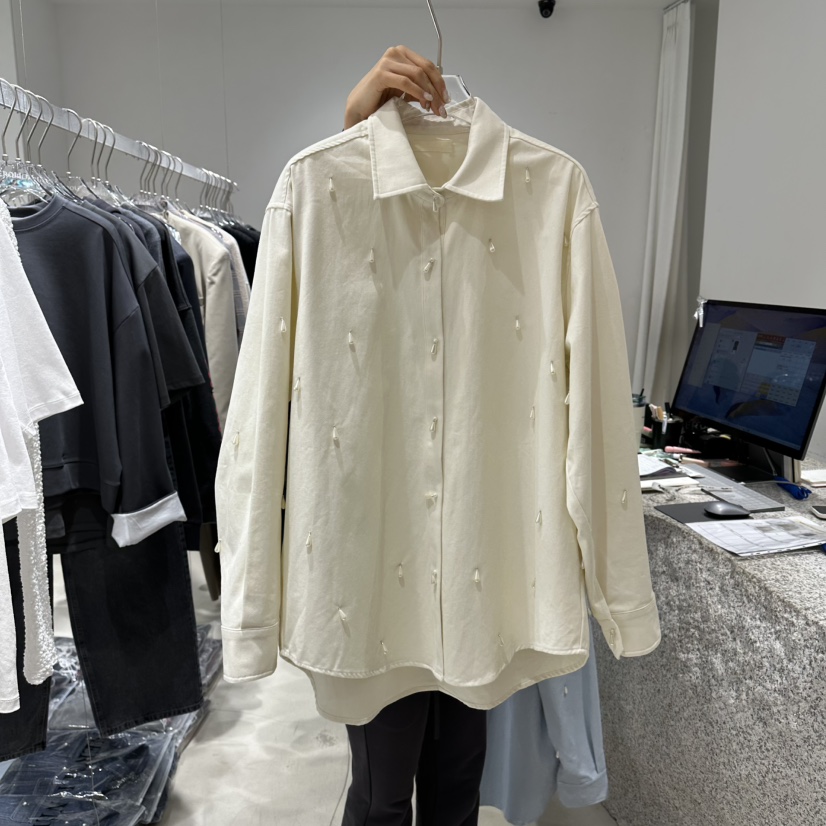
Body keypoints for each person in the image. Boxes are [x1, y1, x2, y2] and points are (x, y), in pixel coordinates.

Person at [339, 47, 488, 826]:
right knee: (383, 789)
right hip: (381, 558)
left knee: (458, 777)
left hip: (476, 559)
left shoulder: (524, 196)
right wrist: (354, 127)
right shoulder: (327, 192)